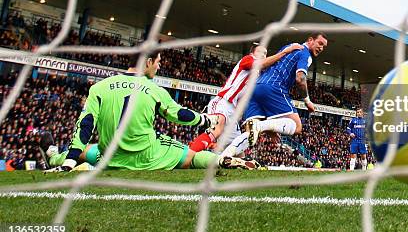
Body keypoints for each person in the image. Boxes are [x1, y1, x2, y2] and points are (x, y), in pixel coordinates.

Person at [43, 50, 255, 172]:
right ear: (148, 62)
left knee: (84, 150)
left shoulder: (99, 88)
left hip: (110, 157)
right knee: (191, 157)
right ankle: (223, 161)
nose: (159, 67)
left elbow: (85, 125)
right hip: (148, 156)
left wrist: (69, 163)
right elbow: (179, 115)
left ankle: (54, 157)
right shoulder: (153, 89)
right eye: (158, 62)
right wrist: (205, 120)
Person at [222, 32, 328, 157]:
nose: (321, 48)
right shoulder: (305, 54)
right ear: (310, 40)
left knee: (251, 133)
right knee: (297, 126)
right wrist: (307, 101)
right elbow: (300, 79)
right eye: (320, 43)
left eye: (324, 47)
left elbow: (270, 63)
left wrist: (271, 129)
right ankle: (260, 126)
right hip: (274, 86)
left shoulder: (288, 47)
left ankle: (225, 156)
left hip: (256, 87)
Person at [188, 43, 302, 156]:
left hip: (234, 113)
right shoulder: (247, 59)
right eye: (260, 52)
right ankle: (188, 156)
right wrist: (285, 52)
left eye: (265, 54)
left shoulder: (261, 79)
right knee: (217, 130)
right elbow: (261, 64)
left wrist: (269, 130)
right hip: (223, 102)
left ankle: (212, 159)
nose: (263, 55)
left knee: (238, 152)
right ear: (252, 53)